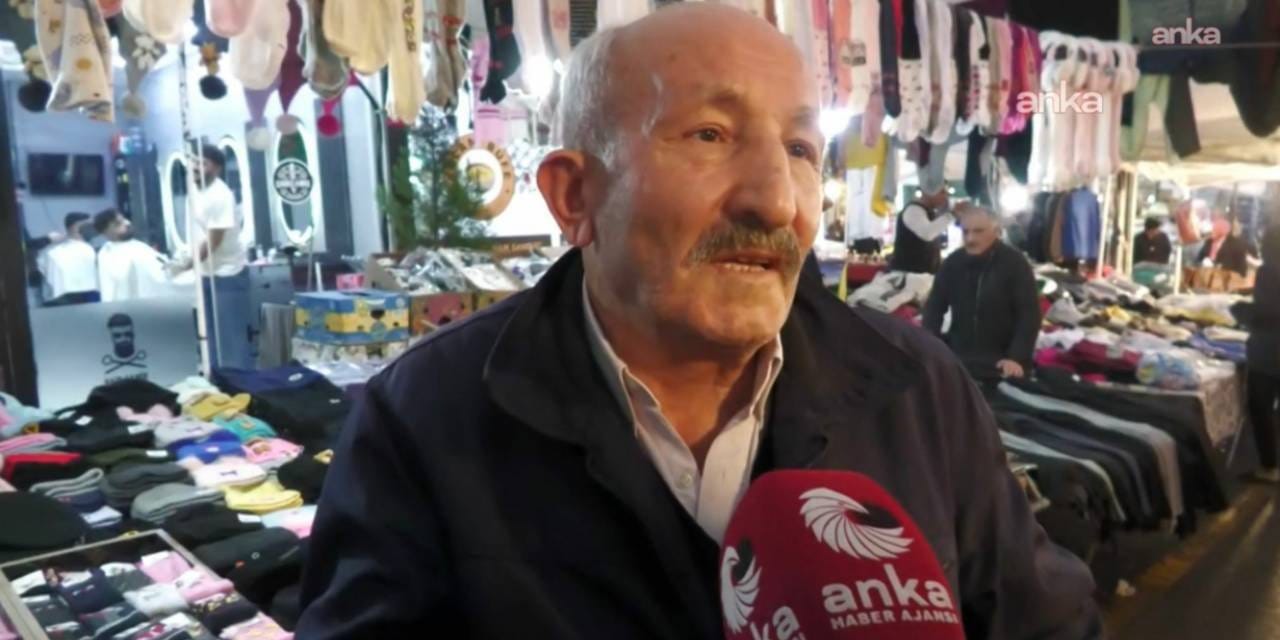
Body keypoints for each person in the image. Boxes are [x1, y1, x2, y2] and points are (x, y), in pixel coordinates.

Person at [297, 6, 1100, 639]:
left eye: (800, 148)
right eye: (710, 135)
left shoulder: (921, 393)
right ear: (575, 196)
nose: (775, 201)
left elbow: (1047, 623)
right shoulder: (422, 422)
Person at [923, 204, 1042, 383]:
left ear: (996, 231)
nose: (970, 238)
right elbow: (934, 308)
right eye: (966, 232)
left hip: (1003, 361)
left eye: (978, 231)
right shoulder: (953, 263)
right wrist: (930, 348)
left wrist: (1016, 357)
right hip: (960, 357)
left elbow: (1029, 314)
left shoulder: (1014, 263)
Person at [186, 144, 253, 370]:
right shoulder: (196, 191)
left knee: (231, 338)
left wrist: (187, 264)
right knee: (210, 336)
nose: (195, 167)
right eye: (194, 162)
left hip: (228, 274)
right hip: (207, 272)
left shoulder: (220, 196)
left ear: (217, 169)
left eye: (202, 163)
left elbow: (213, 242)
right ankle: (217, 378)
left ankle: (242, 382)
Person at [1246, 226, 1280, 482]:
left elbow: (1265, 309)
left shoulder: (1268, 271)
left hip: (1268, 350)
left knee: (1261, 407)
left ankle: (1270, 467)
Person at [94, 209, 169, 302]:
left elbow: (162, 269)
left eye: (124, 219)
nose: (127, 223)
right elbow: (114, 289)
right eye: (118, 224)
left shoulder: (137, 245)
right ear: (106, 232)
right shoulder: (107, 255)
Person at [37, 212, 99, 305]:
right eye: (89, 225)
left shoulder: (94, 250)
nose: (92, 229)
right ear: (75, 227)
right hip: (66, 302)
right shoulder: (54, 253)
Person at [888, 186, 953, 273]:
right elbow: (927, 233)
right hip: (909, 276)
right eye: (942, 192)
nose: (946, 196)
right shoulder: (913, 210)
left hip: (923, 276)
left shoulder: (929, 212)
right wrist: (952, 215)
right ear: (928, 192)